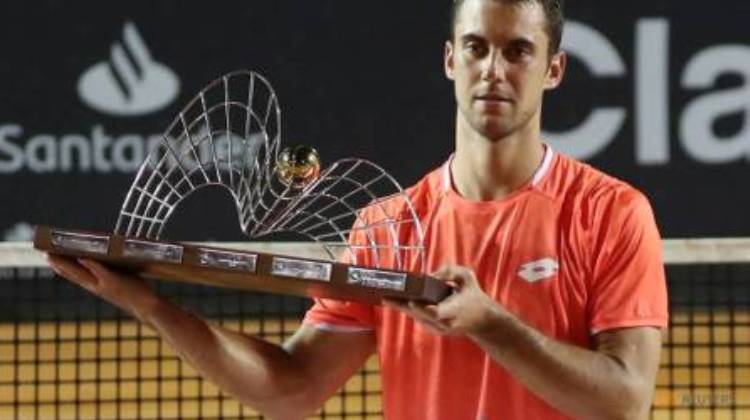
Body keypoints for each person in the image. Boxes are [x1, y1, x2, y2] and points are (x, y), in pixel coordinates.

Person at [48, 0, 669, 419]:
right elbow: (294, 387)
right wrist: (152, 306)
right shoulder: (387, 226)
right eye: (476, 48)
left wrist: (488, 323)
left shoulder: (611, 213)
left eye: (517, 51)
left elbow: (625, 399)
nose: (493, 70)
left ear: (554, 69)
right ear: (451, 60)